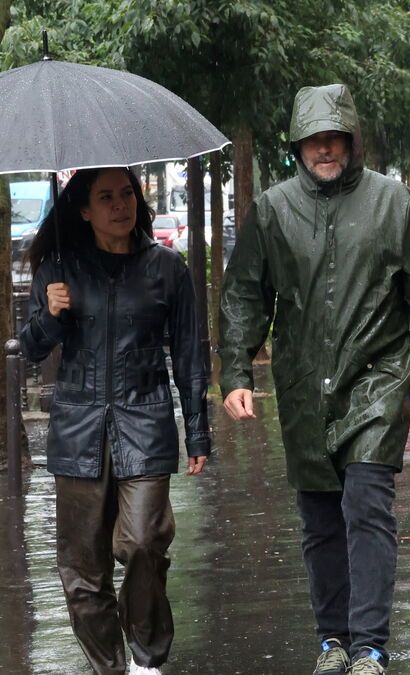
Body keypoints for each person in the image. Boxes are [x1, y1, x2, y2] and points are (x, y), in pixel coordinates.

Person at [220, 84, 410, 675]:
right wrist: (235, 370)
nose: (325, 149)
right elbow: (245, 294)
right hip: (304, 385)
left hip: (376, 381)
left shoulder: (392, 203)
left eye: (334, 138)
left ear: (351, 140)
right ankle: (333, 638)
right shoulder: (274, 211)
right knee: (320, 519)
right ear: (299, 145)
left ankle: (369, 643)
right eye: (314, 139)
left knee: (366, 505)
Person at [20, 167, 211, 675]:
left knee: (145, 543)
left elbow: (190, 353)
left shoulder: (167, 269)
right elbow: (33, 348)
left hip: (144, 420)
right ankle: (111, 667)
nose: (120, 205)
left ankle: (148, 658)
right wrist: (49, 314)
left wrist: (197, 430)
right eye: (105, 197)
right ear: (83, 209)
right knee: (82, 572)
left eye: (126, 193)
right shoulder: (60, 268)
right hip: (77, 429)